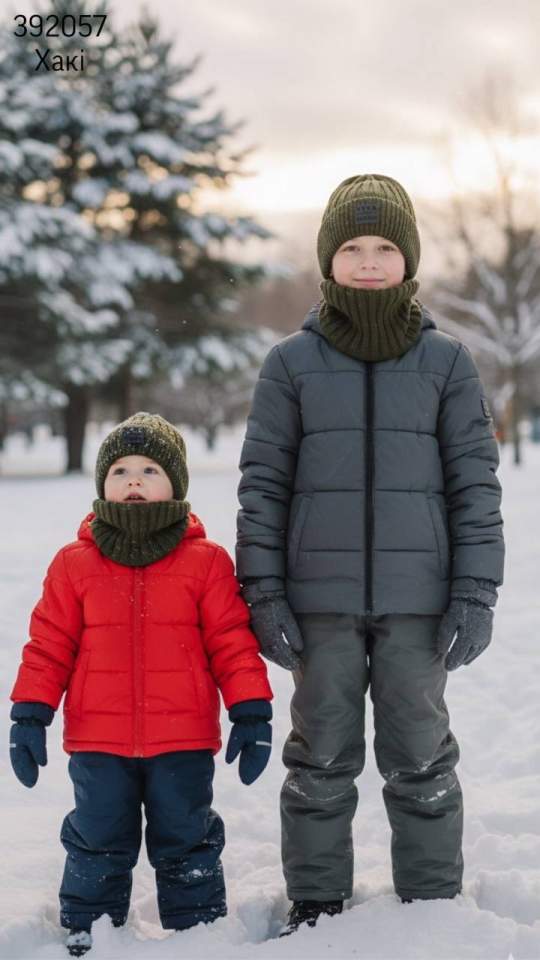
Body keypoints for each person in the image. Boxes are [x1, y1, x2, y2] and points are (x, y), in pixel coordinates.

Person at [236, 174, 504, 935]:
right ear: (328, 259)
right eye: (352, 247)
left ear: (407, 258)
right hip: (317, 600)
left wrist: (475, 591)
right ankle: (316, 902)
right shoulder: (290, 364)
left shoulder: (447, 363)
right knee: (320, 754)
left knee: (421, 754)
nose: (368, 262)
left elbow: (475, 488)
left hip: (420, 599)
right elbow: (263, 488)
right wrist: (264, 592)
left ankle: (432, 903)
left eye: (384, 247)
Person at [10, 412, 273, 957]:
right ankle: (88, 931)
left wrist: (251, 710)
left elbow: (230, 641)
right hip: (98, 741)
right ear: (102, 483)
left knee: (187, 836)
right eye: (121, 470)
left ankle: (197, 932)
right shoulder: (74, 564)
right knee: (97, 836)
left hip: (183, 739)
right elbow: (49, 644)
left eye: (150, 469)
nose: (134, 480)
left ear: (175, 484)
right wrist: (30, 713)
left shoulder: (205, 562)